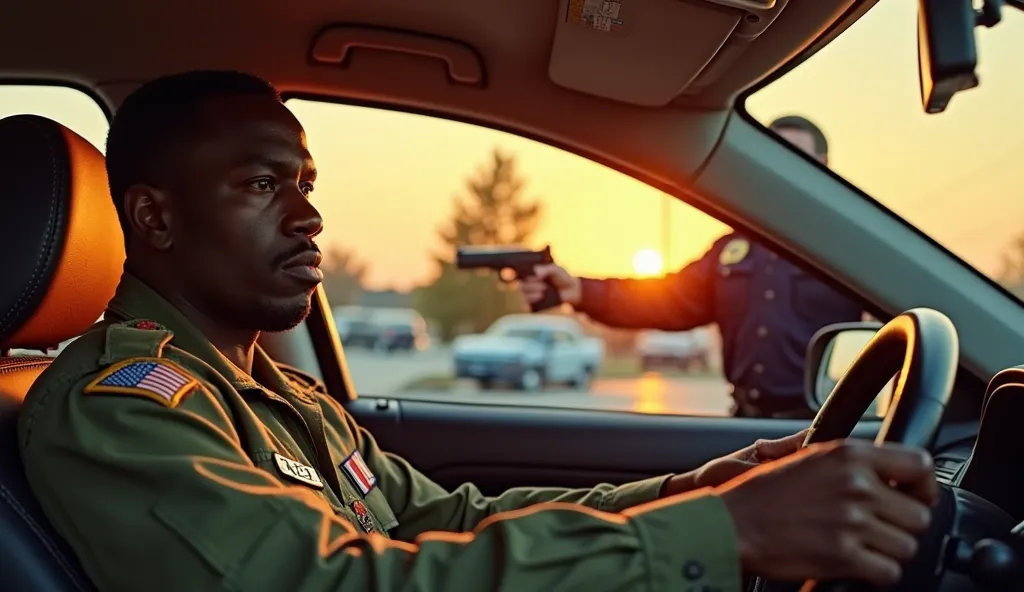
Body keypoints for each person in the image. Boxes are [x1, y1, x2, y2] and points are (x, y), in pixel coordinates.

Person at [19, 71, 938, 592]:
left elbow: (446, 521)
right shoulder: (120, 411)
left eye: (305, 184)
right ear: (155, 219)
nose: (309, 219)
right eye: (262, 187)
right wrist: (718, 533)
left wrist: (699, 490)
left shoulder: (281, 398)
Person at [522, 115, 862, 419]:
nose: (783, 167)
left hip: (820, 428)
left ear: (822, 165)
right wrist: (579, 290)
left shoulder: (847, 249)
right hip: (747, 425)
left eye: (796, 156)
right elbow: (666, 299)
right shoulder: (731, 250)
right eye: (774, 157)